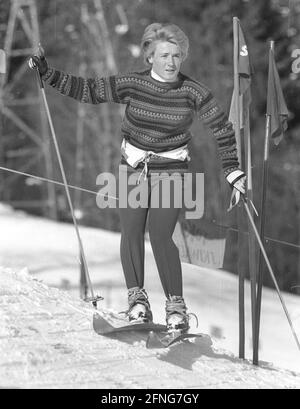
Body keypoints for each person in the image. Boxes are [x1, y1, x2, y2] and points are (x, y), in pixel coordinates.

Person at [29, 23, 246, 334]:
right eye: (164, 55)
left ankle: (176, 307)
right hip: (133, 167)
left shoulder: (192, 91)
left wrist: (231, 169)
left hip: (171, 169)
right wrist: (49, 75)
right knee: (130, 232)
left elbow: (222, 129)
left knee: (160, 236)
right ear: (150, 57)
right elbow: (89, 89)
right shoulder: (132, 83)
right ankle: (137, 302)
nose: (171, 62)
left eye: (177, 56)